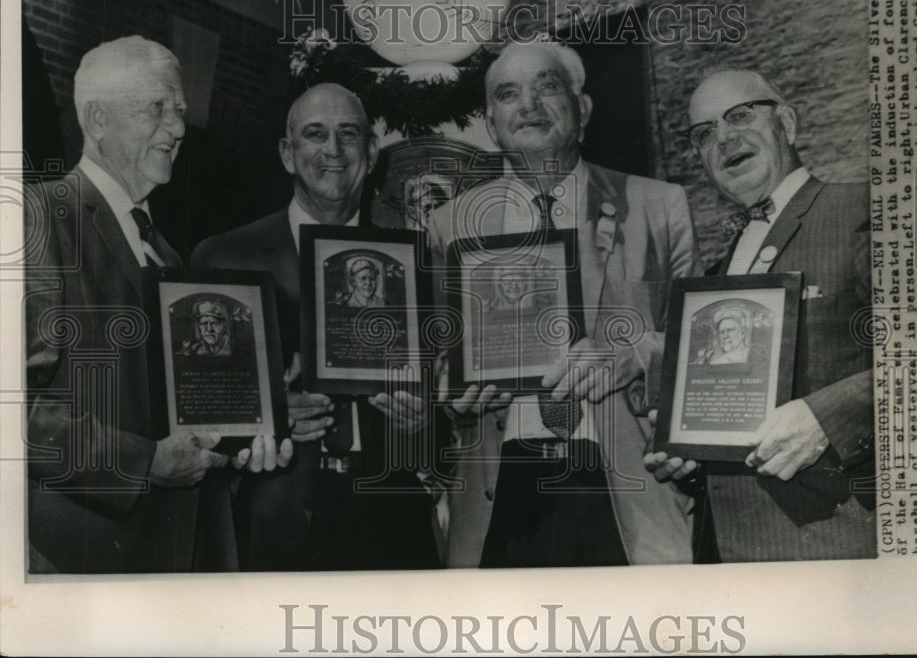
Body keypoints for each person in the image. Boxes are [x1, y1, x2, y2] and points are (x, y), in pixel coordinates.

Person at [426, 40, 702, 568]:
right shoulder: (448, 225)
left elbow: (700, 348)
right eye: (508, 94)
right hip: (500, 487)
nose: (527, 105)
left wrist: (635, 354)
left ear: (583, 109)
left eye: (547, 87)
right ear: (491, 123)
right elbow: (440, 355)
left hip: (625, 482)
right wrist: (450, 390)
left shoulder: (659, 207)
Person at [24, 36, 284, 573]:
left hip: (182, 561)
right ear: (97, 119)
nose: (180, 128)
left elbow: (180, 414)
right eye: (157, 108)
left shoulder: (165, 254)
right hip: (84, 565)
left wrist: (244, 439)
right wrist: (144, 463)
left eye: (181, 111)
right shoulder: (41, 217)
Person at [190, 83, 440, 570]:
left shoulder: (411, 266)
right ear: (288, 154)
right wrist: (271, 412)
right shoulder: (225, 256)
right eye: (314, 134)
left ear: (370, 153)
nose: (333, 150)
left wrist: (425, 420)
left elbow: (442, 415)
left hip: (392, 521)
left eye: (349, 134)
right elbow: (198, 407)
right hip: (270, 517)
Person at [645, 69, 875, 562]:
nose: (724, 138)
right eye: (704, 133)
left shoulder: (861, 208)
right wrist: (688, 449)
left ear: (787, 124)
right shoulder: (717, 273)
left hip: (826, 547)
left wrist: (825, 417)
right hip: (722, 556)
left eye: (741, 115)